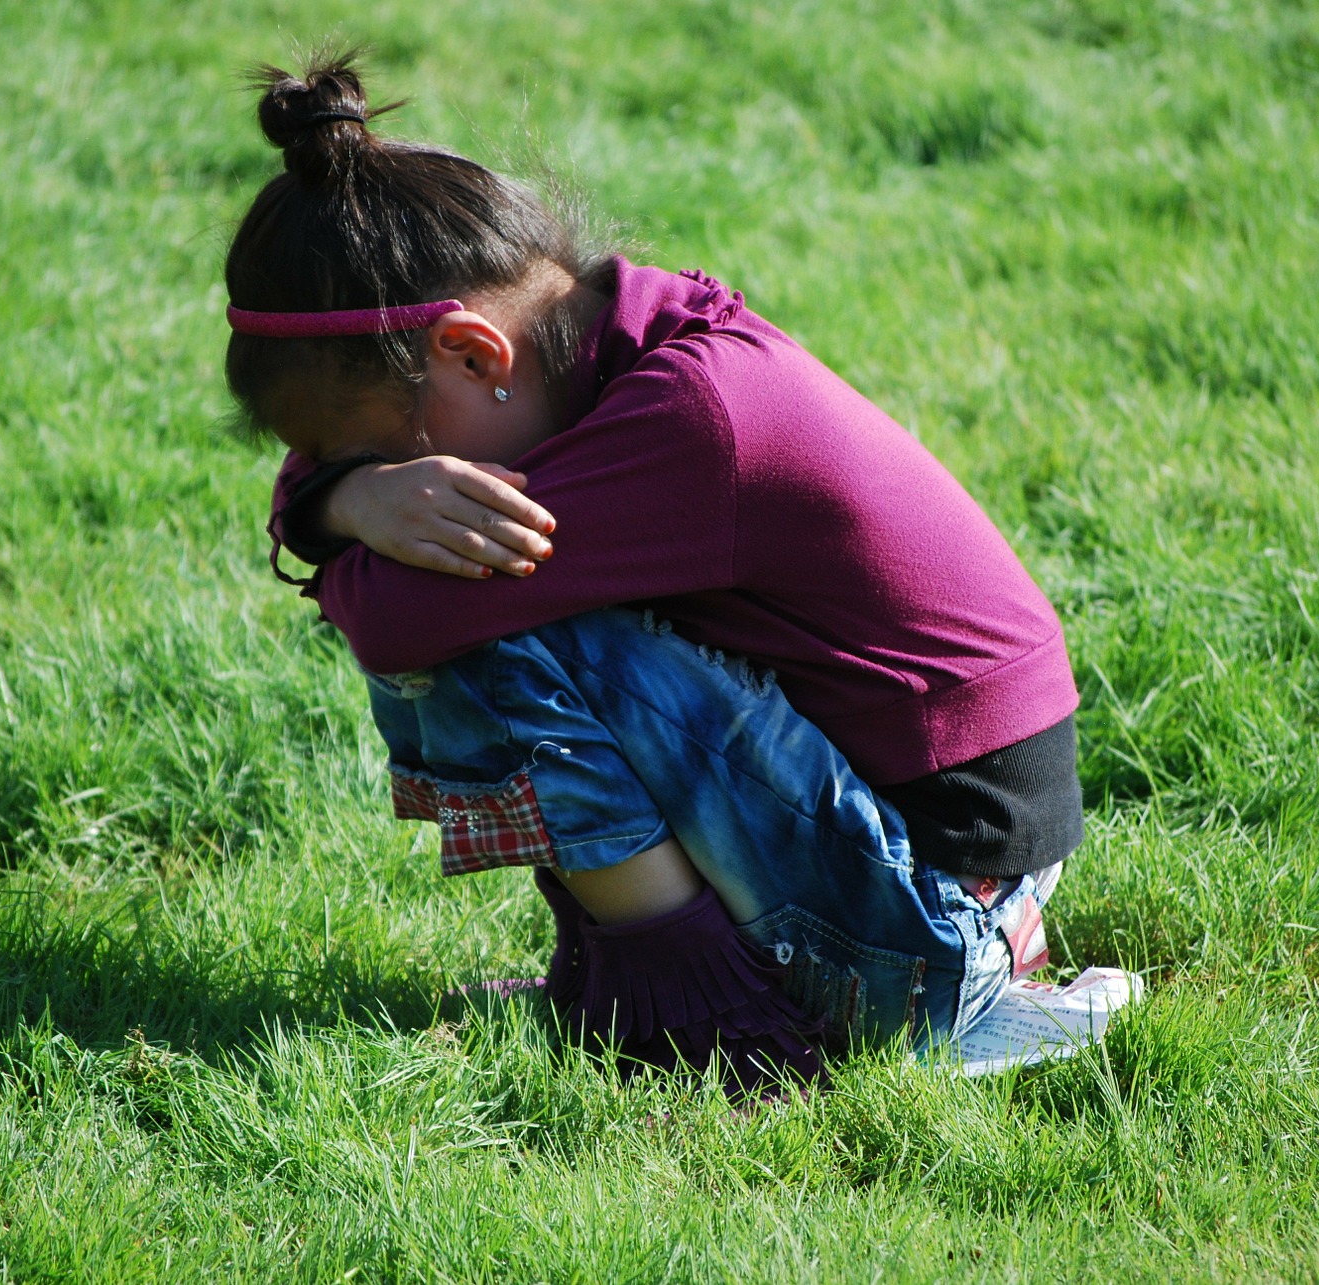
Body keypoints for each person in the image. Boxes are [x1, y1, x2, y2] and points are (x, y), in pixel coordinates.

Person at [224, 52, 1084, 1095]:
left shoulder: (693, 422)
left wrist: (345, 529)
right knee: (484, 585)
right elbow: (329, 510)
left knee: (493, 631)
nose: (404, 488)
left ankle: (701, 1014)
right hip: (942, 875)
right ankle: (650, 975)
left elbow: (400, 623)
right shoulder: (619, 339)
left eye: (390, 456)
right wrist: (345, 499)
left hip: (929, 922)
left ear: (474, 356)